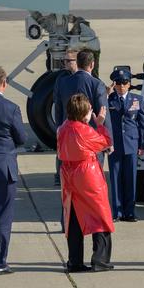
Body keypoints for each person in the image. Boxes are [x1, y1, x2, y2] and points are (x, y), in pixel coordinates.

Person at [57, 93, 114, 272]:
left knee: (73, 217)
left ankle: (75, 261)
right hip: (87, 173)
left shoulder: (63, 128)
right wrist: (100, 125)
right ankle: (100, 259)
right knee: (100, 215)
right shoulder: (85, 131)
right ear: (84, 114)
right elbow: (105, 143)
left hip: (68, 173)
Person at [0, 65, 27, 275]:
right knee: (3, 217)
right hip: (4, 167)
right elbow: (21, 138)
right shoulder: (10, 108)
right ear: (4, 84)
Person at [107, 68, 144, 222]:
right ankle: (117, 212)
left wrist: (142, 144)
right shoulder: (109, 100)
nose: (121, 86)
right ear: (114, 84)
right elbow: (104, 122)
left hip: (131, 144)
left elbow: (143, 123)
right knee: (115, 178)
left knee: (130, 179)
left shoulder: (137, 100)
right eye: (118, 83)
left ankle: (130, 211)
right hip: (114, 145)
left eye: (124, 83)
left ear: (130, 84)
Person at [54, 49, 112, 150]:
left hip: (68, 137)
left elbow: (58, 111)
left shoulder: (62, 82)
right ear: (92, 64)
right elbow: (103, 113)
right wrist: (109, 142)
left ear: (77, 63)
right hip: (91, 139)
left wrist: (59, 134)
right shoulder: (97, 84)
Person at [53, 48, 78, 186]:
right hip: (66, 122)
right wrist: (58, 126)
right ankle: (59, 175)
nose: (65, 63)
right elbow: (57, 104)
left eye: (69, 61)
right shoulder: (61, 79)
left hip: (81, 125)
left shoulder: (85, 77)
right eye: (64, 60)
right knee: (62, 150)